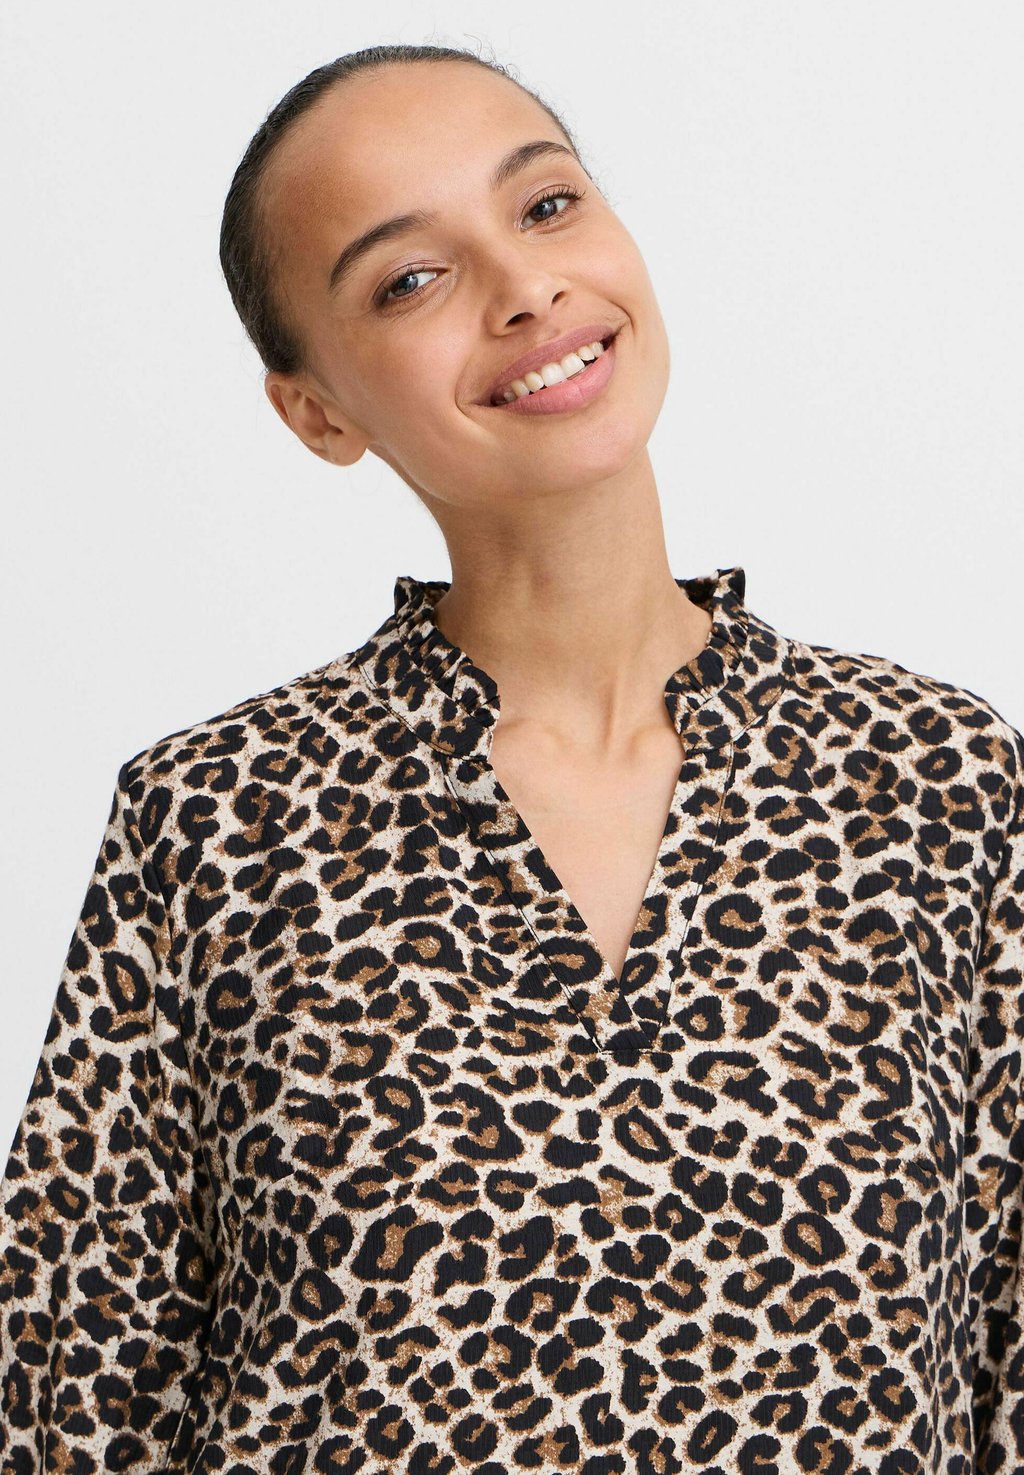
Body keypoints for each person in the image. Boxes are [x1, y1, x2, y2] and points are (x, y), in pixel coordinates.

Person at [1, 41, 1021, 1475]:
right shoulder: (214, 821)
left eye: (546, 206)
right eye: (409, 278)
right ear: (317, 411)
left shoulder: (931, 778)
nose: (525, 286)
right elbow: (75, 1390)